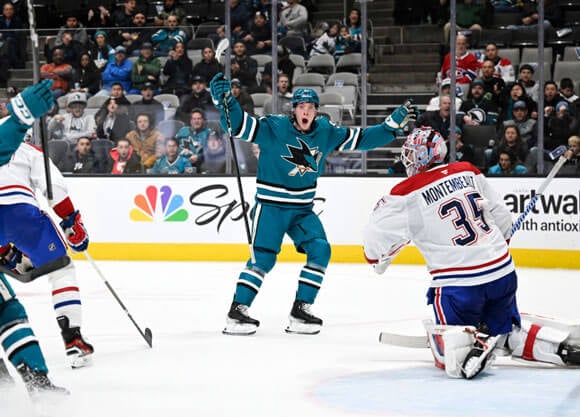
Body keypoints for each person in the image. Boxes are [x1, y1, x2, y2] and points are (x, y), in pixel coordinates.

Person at [362, 127, 580, 380]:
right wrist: (496, 246)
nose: (408, 160)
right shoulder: (467, 170)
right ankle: (557, 348)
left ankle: (475, 343)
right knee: (506, 330)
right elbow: (502, 216)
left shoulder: (404, 193)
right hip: (503, 275)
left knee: (450, 359)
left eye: (411, 154)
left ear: (422, 156)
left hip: (459, 287)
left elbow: (373, 241)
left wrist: (377, 258)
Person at [209, 72, 418, 335]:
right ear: (293, 109)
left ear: (316, 111)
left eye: (310, 107)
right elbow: (237, 127)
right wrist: (226, 102)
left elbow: (361, 138)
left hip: (302, 209)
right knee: (263, 259)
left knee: (320, 250)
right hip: (271, 207)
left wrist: (390, 126)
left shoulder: (325, 132)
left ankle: (301, 310)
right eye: (301, 107)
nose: (305, 111)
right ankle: (237, 311)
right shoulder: (274, 128)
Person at [0, 79, 94, 369]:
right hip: (22, 215)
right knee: (61, 268)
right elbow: (55, 190)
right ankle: (73, 339)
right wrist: (71, 223)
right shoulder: (29, 150)